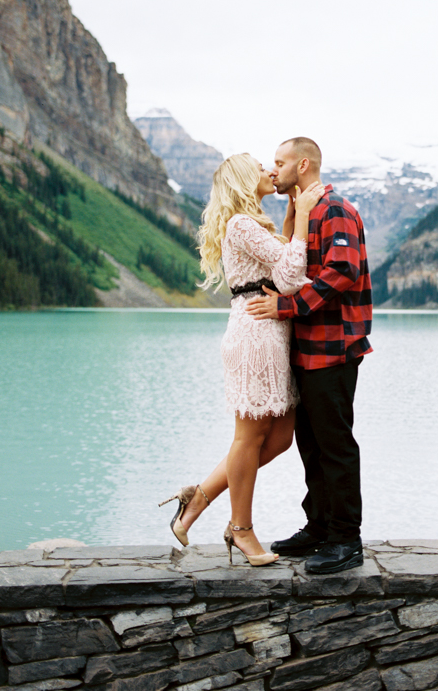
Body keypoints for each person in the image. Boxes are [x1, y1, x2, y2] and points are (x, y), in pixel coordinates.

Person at [159, 153, 324, 567]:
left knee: (280, 438)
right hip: (254, 337)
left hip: (271, 336)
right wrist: (303, 214)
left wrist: (289, 220)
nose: (271, 170)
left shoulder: (253, 224)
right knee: (248, 439)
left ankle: (197, 498)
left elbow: (284, 261)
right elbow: (288, 277)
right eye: (261, 167)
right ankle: (240, 529)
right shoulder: (241, 224)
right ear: (243, 181)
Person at [246, 137, 372, 575]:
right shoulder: (305, 212)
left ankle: (345, 539)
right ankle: (318, 527)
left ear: (302, 165)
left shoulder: (334, 209)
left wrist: (287, 306)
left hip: (333, 348)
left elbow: (342, 271)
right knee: (311, 444)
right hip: (306, 350)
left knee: (334, 444)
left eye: (279, 163)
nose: (273, 169)